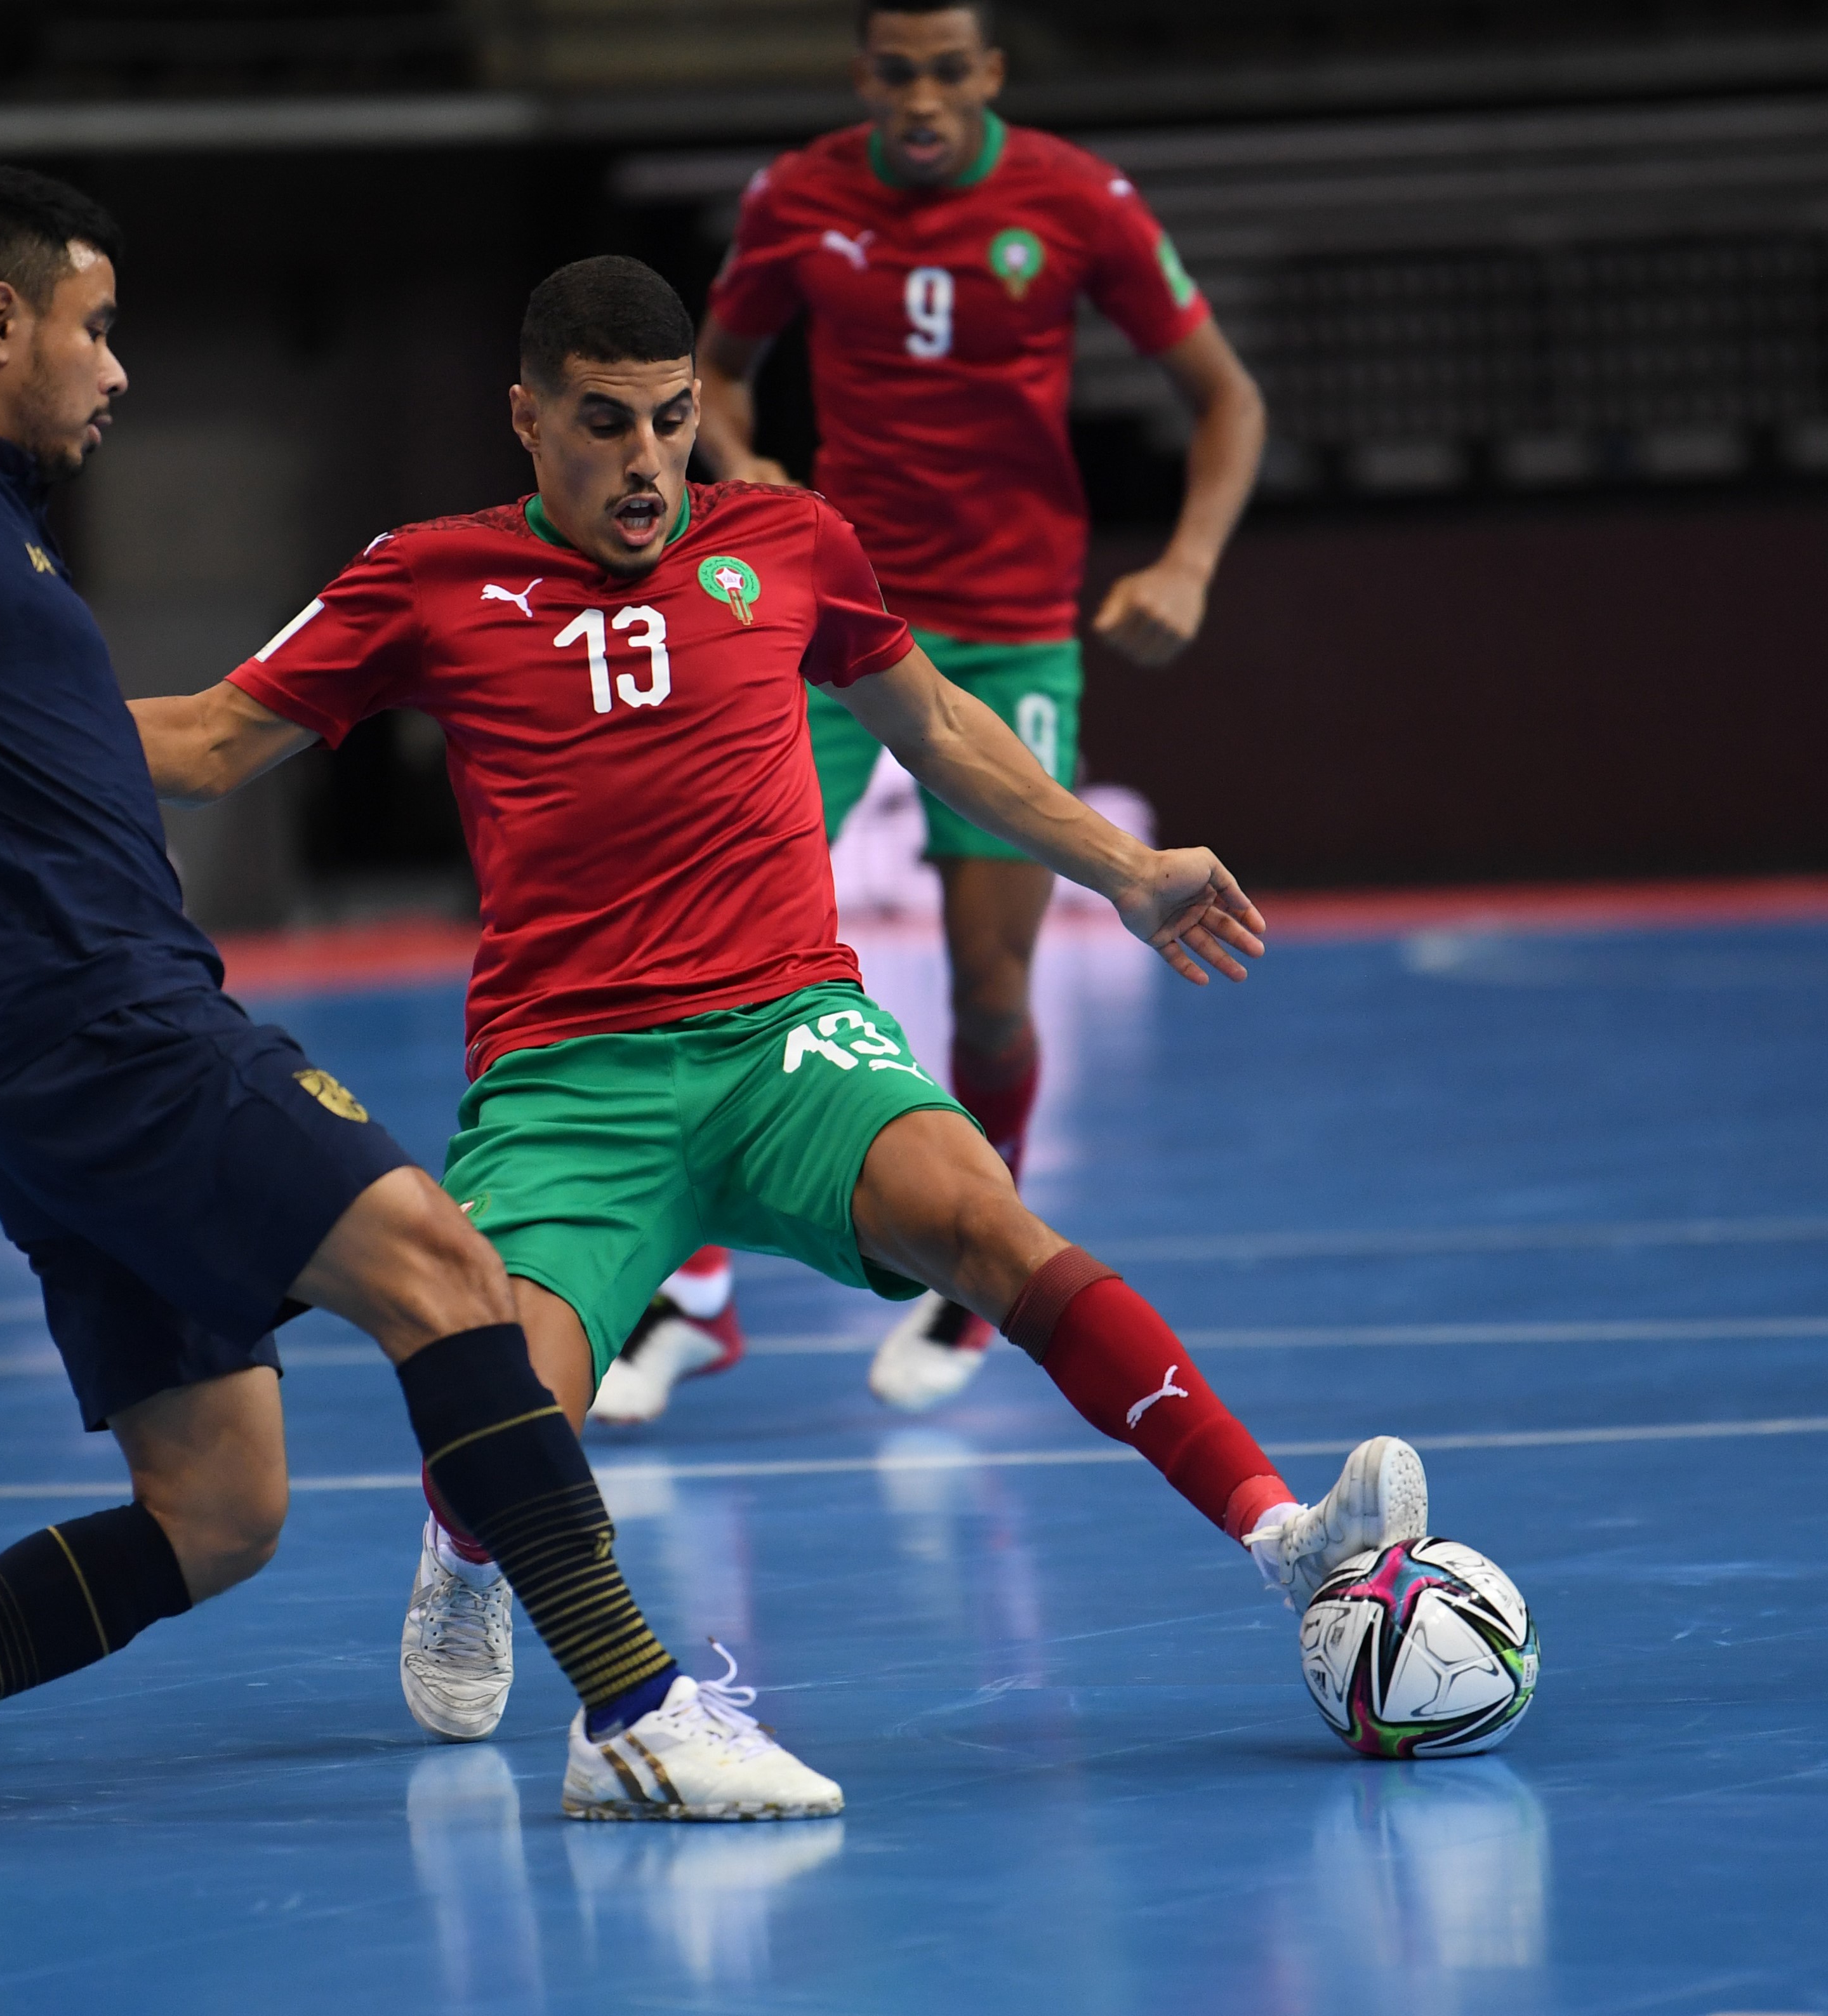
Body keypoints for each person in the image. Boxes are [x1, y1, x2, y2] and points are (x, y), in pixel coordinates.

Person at [0, 166, 840, 1864]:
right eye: (96, 327)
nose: (117, 369)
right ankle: (638, 1717)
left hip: (25, 1085)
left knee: (217, 1515)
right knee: (444, 1270)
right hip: (114, 1025)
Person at [128, 255, 1421, 1750]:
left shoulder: (791, 541)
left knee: (990, 1224)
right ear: (525, 418)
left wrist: (1123, 871)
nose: (644, 463)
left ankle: (1280, 1538)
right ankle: (464, 1552)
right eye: (602, 423)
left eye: (670, 421)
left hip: (785, 1032)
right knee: (504, 1392)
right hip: (568, 1078)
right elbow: (215, 739)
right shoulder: (426, 574)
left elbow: (934, 722)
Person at [615, 0, 1268, 1419]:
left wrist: (1187, 563)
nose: (918, 99)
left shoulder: (1075, 200)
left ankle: (975, 1292)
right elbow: (712, 373)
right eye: (893, 72)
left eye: (945, 72)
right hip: (838, 625)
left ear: (989, 74)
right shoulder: (797, 196)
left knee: (987, 985)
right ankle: (694, 1293)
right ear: (863, 75)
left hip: (1018, 635)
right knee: (724, 949)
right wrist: (746, 466)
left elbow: (1226, 401)